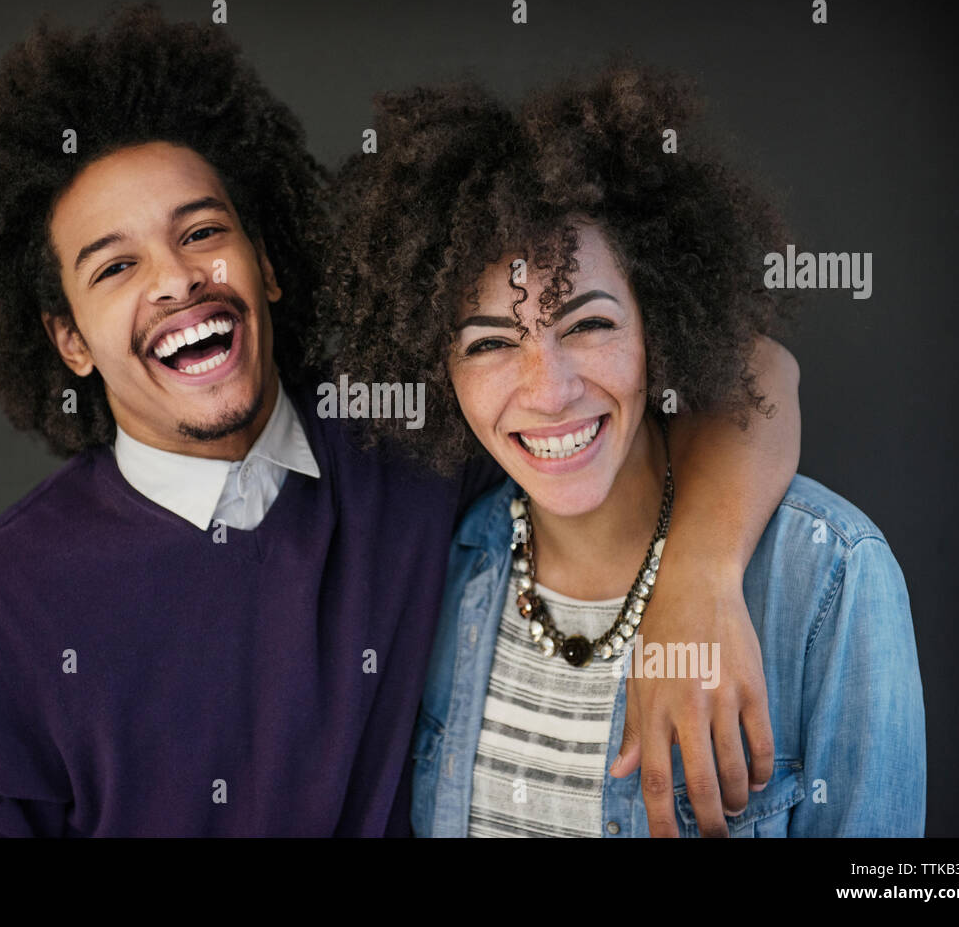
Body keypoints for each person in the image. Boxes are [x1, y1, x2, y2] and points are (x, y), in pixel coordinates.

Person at [0, 5, 802, 836]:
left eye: (203, 232)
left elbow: (749, 368)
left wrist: (700, 582)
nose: (176, 279)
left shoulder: (405, 435)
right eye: (114, 267)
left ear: (269, 264)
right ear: (70, 341)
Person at [318, 67, 926, 836]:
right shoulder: (445, 566)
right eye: (491, 344)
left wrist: (701, 575)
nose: (549, 390)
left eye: (589, 324)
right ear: (438, 372)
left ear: (659, 326)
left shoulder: (829, 576)